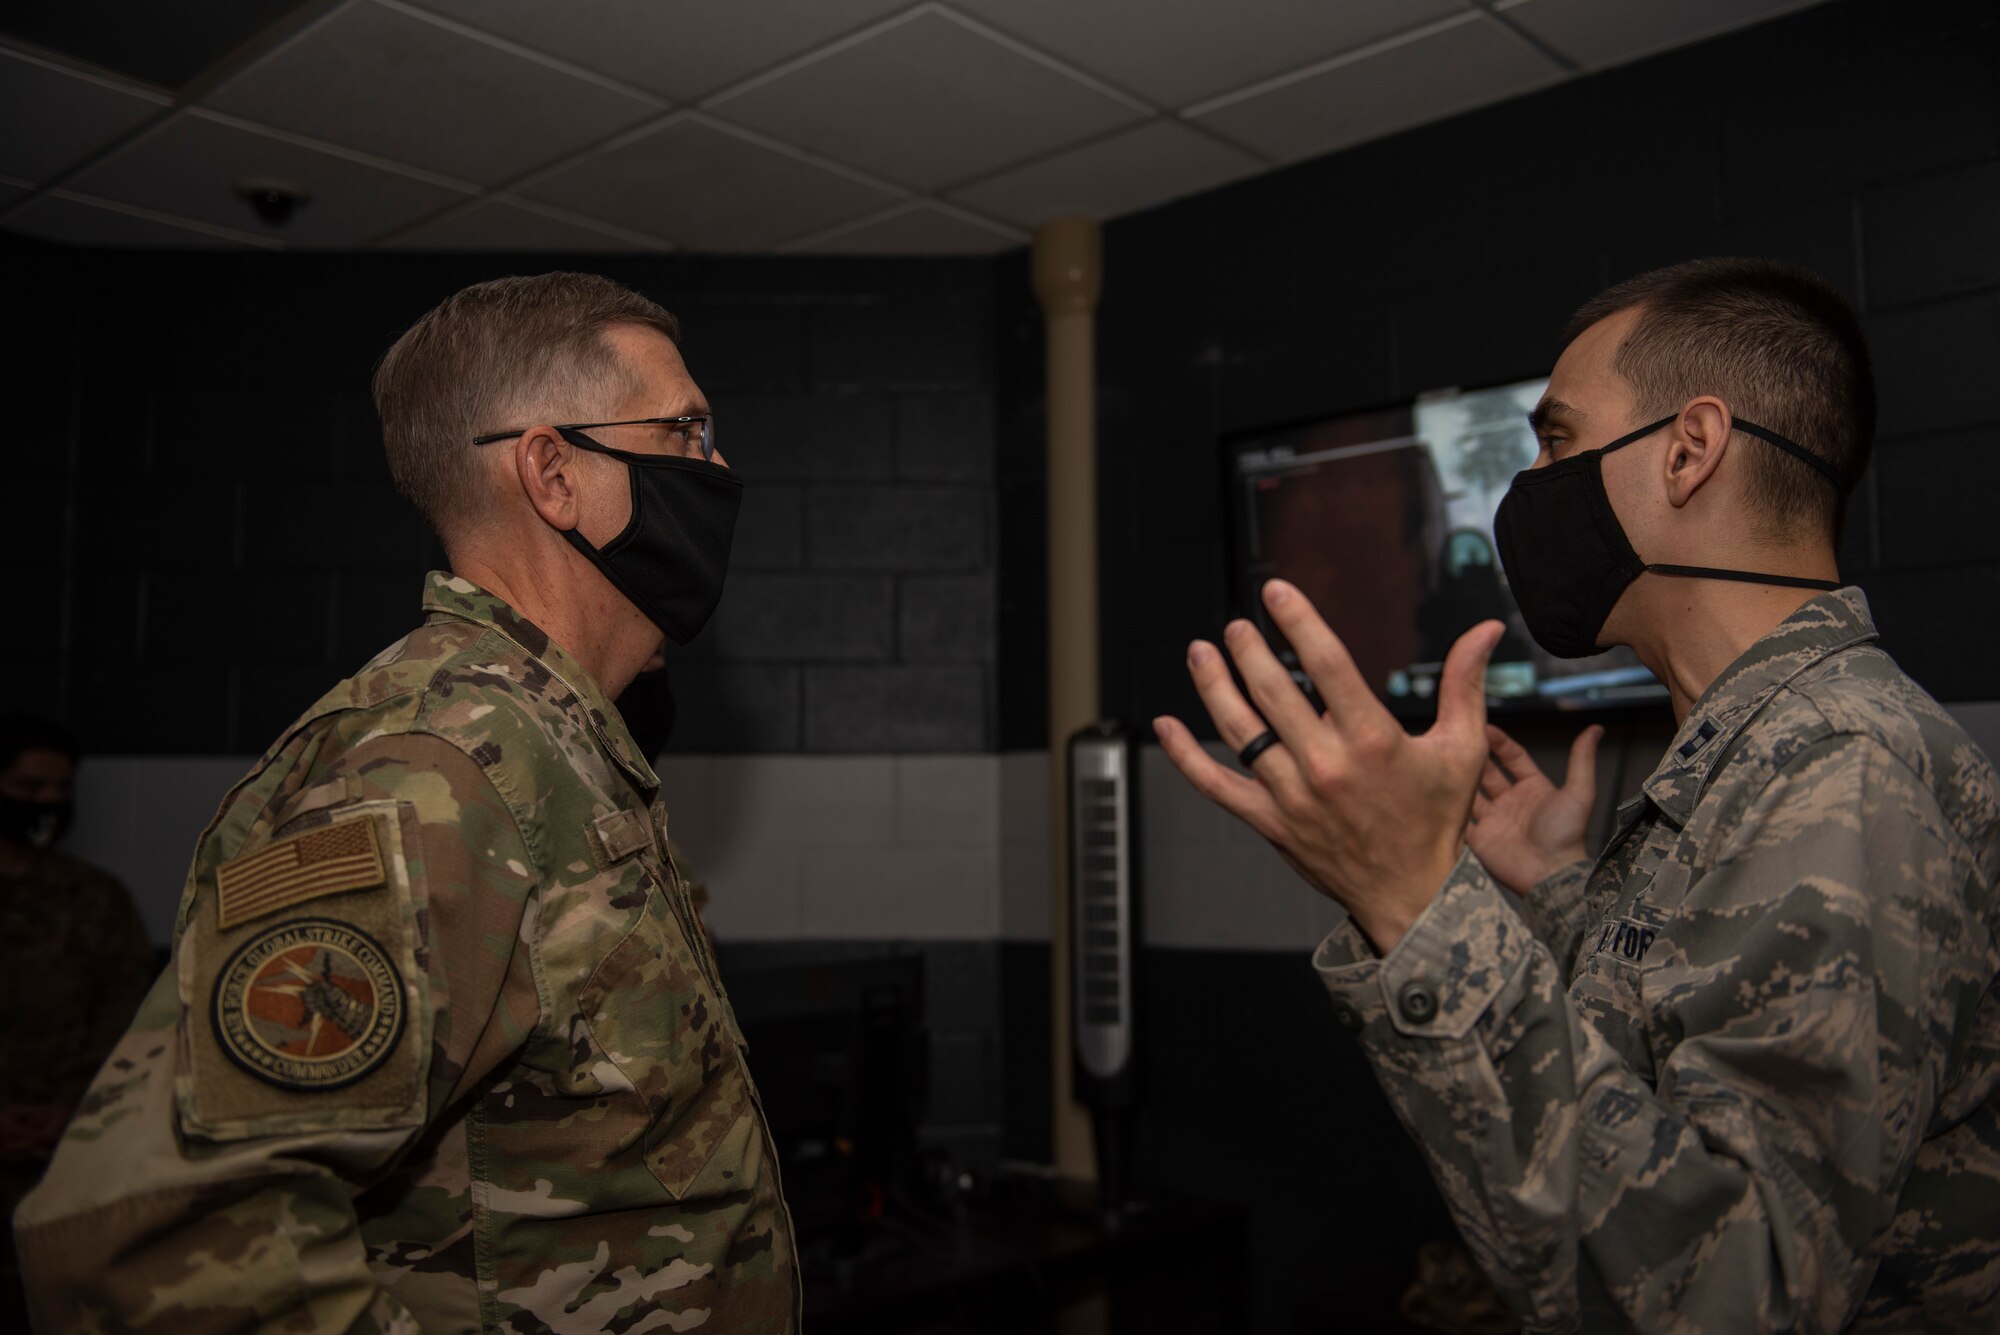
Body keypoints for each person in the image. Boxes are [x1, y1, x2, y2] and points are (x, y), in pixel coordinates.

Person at [1155, 259, 1999, 1332]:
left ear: (1688, 450)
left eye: (1555, 439)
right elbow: (1672, 1089)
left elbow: (1739, 1298)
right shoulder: (1757, 748)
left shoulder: (1840, 769)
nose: (1531, 486)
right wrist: (1561, 892)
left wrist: (1412, 901)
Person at [15, 273, 798, 1332]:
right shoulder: (439, 770)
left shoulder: (554, 746)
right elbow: (156, 1232)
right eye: (686, 429)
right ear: (554, 472)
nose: (719, 467)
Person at [0, 715, 156, 1330]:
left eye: (61, 791)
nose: (49, 804)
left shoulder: (94, 897)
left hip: (67, 1151)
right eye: (30, 788)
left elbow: (130, 1014)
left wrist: (73, 1110)